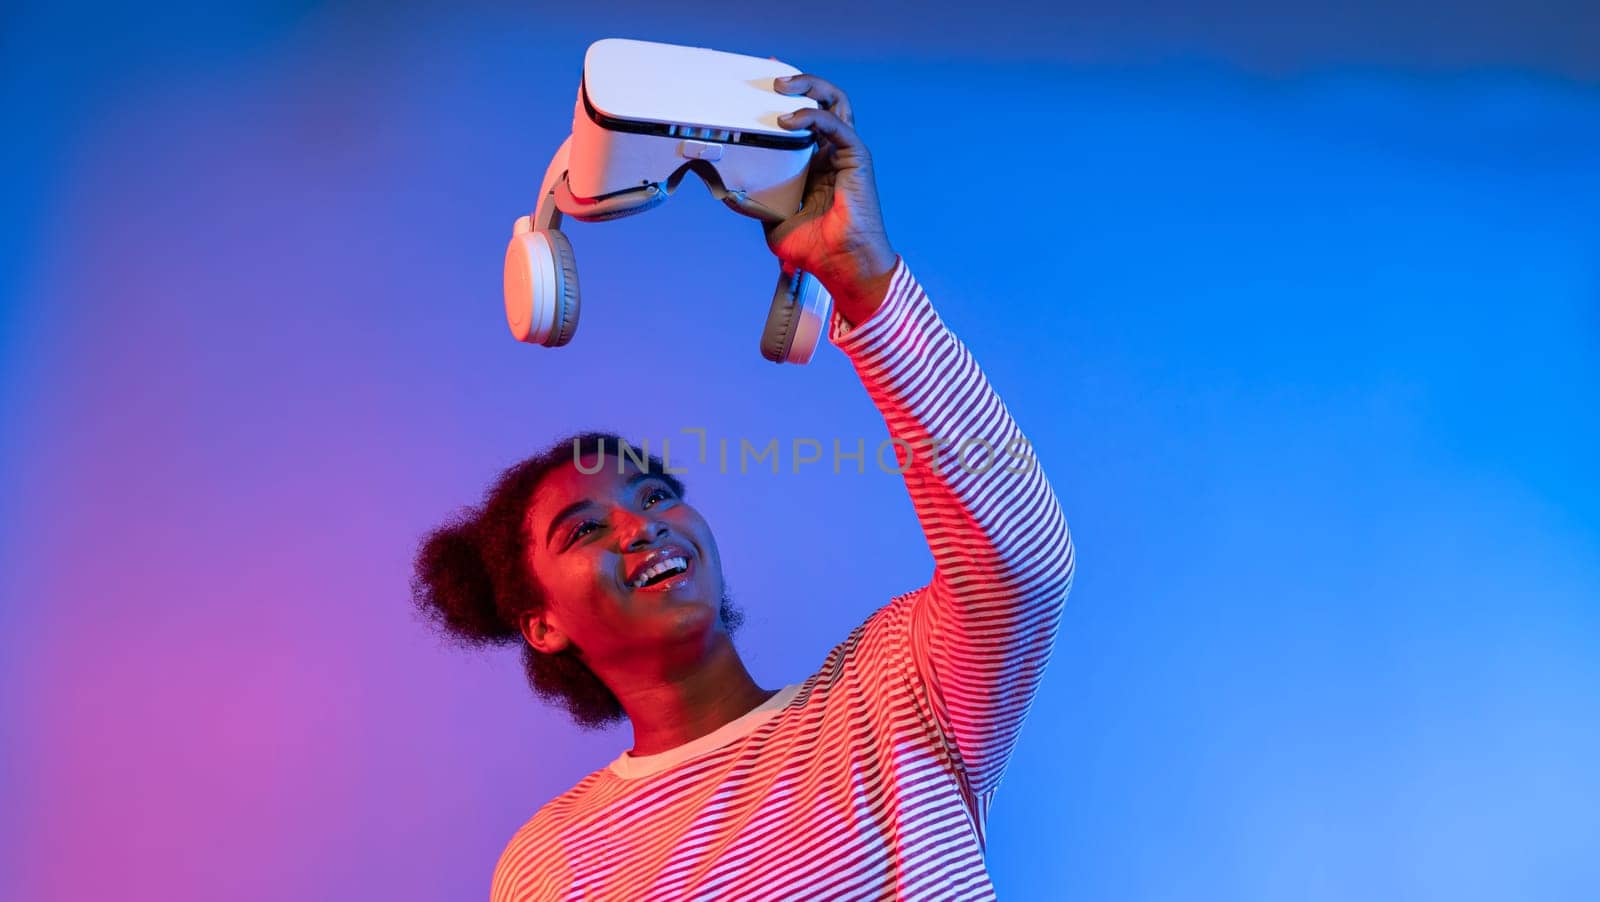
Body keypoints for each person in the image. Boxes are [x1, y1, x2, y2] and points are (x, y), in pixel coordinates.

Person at [411, 71, 1076, 901]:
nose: (640, 527)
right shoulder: (552, 863)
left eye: (655, 496)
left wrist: (863, 280)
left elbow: (1024, 564)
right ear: (542, 624)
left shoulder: (894, 695)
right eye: (584, 530)